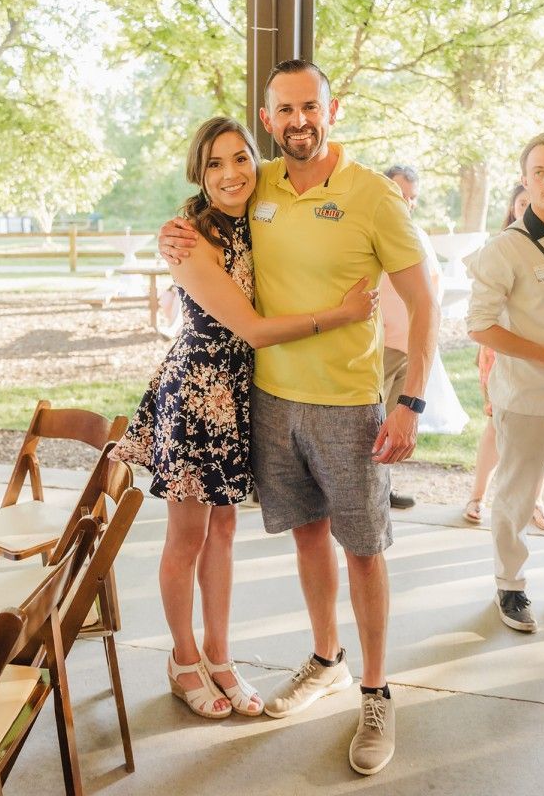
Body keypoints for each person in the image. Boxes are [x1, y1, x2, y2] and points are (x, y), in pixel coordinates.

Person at [159, 61, 439, 775]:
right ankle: (326, 660)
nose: (298, 121)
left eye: (309, 106)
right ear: (268, 117)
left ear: (331, 108)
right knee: (309, 538)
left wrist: (410, 401)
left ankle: (376, 691)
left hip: (349, 405)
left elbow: (427, 299)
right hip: (270, 402)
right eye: (284, 110)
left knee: (364, 549)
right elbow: (209, 223)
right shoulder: (261, 187)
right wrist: (173, 230)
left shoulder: (372, 194)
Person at [110, 116, 379, 721]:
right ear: (197, 174)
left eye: (239, 159)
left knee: (223, 530)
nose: (230, 174)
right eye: (214, 164)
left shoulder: (258, 220)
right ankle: (183, 662)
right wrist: (341, 314)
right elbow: (254, 329)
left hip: (241, 391)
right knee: (187, 535)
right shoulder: (192, 238)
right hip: (200, 390)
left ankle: (219, 654)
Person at [467, 132, 544, 633]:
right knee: (515, 498)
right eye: (540, 173)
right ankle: (510, 586)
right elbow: (480, 326)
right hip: (528, 400)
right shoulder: (505, 249)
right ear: (525, 182)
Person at [464, 183, 544, 531]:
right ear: (513, 208)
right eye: (521, 202)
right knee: (496, 422)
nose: (528, 207)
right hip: (500, 348)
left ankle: (535, 500)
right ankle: (477, 495)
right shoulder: (499, 247)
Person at [380, 165, 467, 507]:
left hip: (409, 345)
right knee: (371, 424)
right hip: (382, 345)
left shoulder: (418, 234)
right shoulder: (374, 232)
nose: (409, 203)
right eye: (402, 195)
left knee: (394, 424)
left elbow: (432, 286)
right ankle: (366, 494)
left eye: (413, 197)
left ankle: (382, 490)